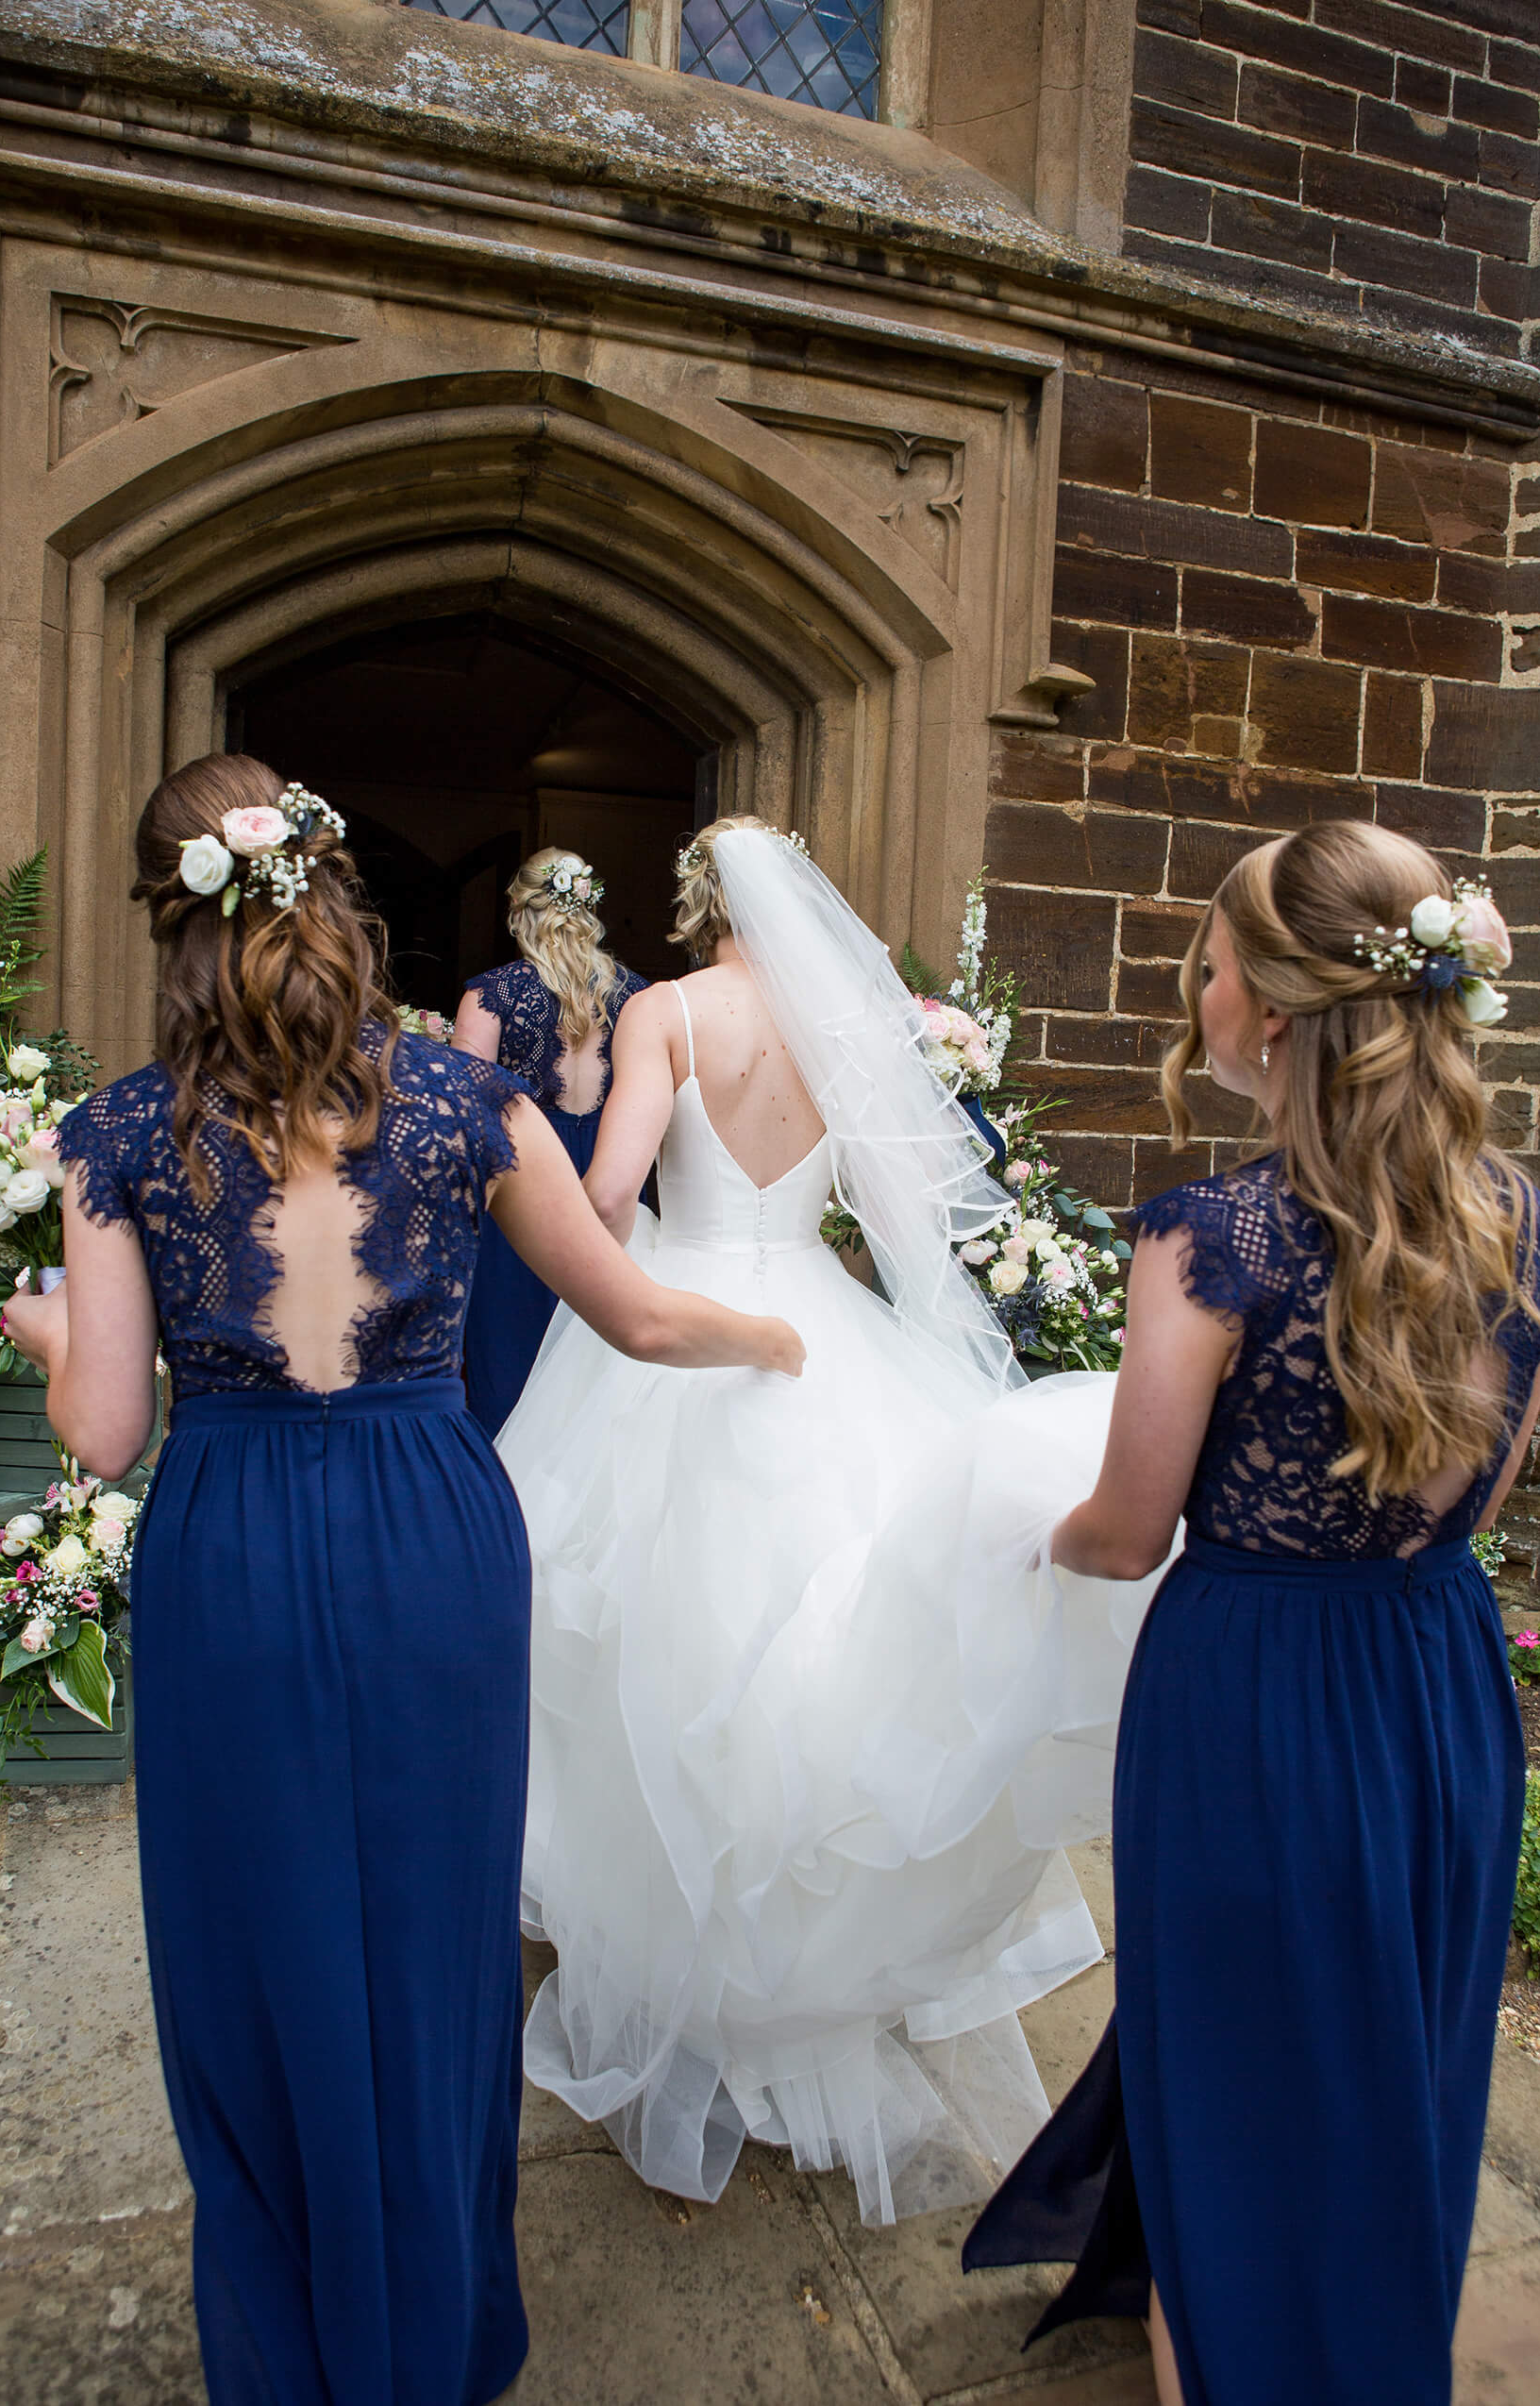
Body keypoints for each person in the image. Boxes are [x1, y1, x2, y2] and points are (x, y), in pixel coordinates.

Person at [1, 758, 801, 2406]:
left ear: (171, 924)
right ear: (329, 889)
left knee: (255, 1945)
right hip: (435, 1537)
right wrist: (778, 1331)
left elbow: (100, 1427)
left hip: (233, 1549)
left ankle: (291, 2342)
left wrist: (42, 1323)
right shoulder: (464, 1103)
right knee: (435, 1943)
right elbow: (638, 1313)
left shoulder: (118, 1133)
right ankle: (432, 2325)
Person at [499, 816, 1156, 2229]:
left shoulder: (665, 1012)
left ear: (692, 908)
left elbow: (607, 1199)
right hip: (822, 1321)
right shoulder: (849, 1024)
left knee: (659, 1655)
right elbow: (888, 1210)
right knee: (823, 1654)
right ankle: (808, 1960)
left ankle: (687, 1961)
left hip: (690, 1328)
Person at [962, 821, 1540, 2406]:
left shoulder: (1206, 1238)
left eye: (1205, 961)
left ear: (1271, 1012)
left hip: (1254, 1695)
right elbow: (1477, 1503)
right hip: (1432, 1669)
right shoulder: (1512, 1215)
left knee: (1239, 2060)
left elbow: (1130, 1521)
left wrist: (1025, 1535)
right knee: (1392, 2055)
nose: (1194, 988)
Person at [456, 850, 645, 1432]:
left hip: (519, 1190)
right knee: (595, 1357)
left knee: (506, 1354)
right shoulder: (639, 998)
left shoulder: (490, 995)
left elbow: (464, 1121)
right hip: (612, 1176)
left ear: (519, 911)